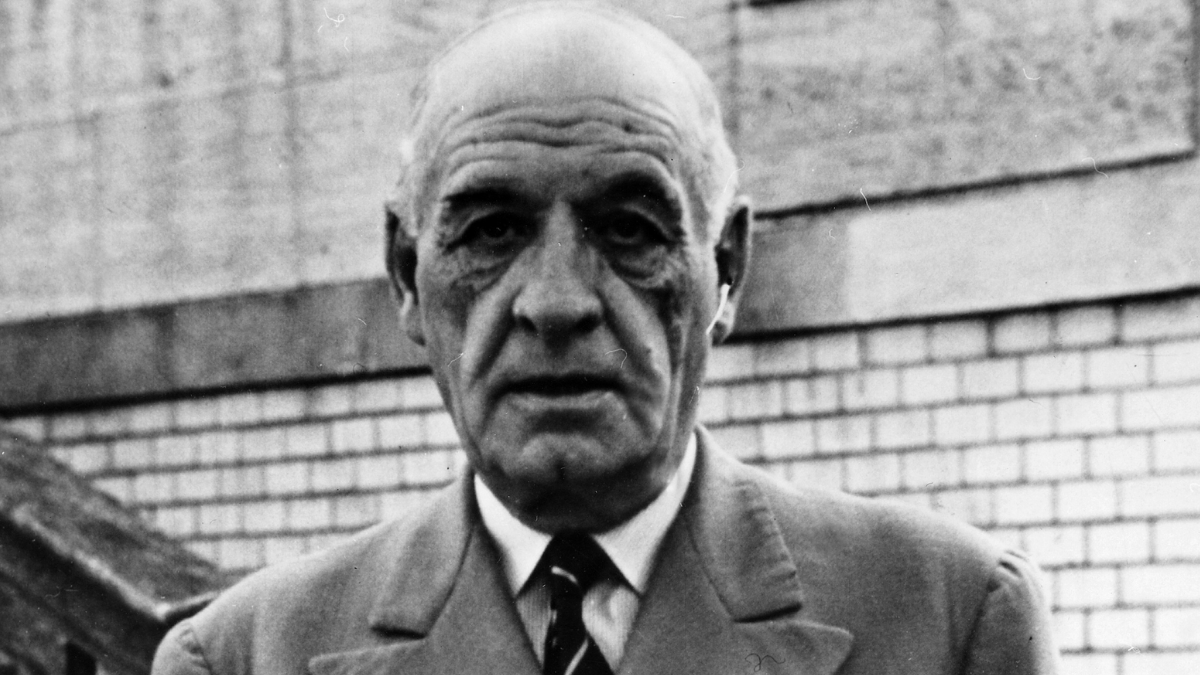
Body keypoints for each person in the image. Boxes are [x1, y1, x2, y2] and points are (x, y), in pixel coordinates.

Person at [152, 4, 1061, 674]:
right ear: (405, 274)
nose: (555, 303)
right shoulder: (242, 658)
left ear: (727, 267)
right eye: (491, 232)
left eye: (629, 229)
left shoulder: (948, 616)